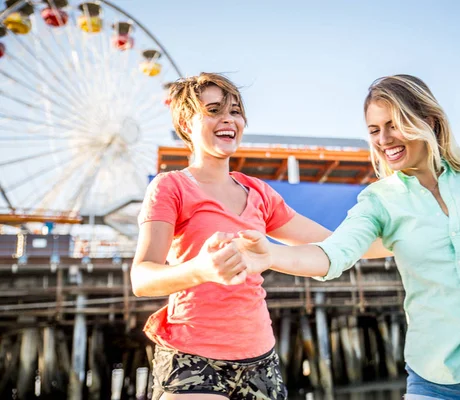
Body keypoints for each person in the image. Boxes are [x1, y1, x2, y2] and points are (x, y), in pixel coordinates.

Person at [229, 75, 460, 400]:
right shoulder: (378, 200)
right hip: (437, 376)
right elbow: (334, 254)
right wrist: (270, 255)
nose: (384, 139)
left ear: (429, 120)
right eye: (374, 130)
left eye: (395, 124)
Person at [131, 72, 391, 400]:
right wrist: (201, 270)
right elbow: (141, 279)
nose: (228, 119)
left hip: (260, 359)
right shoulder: (171, 187)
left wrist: (399, 245)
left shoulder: (259, 192)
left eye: (235, 111)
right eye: (213, 110)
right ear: (185, 121)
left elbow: (332, 243)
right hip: (193, 355)